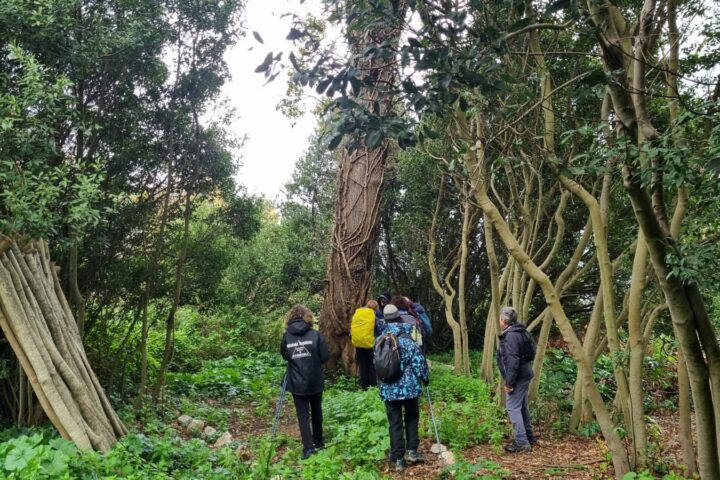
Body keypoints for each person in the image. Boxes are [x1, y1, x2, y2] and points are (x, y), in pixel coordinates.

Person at [377, 303, 429, 472]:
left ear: (384, 320)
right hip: (410, 389)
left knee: (394, 422)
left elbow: (376, 365)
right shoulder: (407, 339)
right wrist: (425, 378)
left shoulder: (379, 340)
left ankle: (398, 458)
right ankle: (412, 451)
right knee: (412, 418)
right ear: (399, 318)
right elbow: (418, 363)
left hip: (389, 389)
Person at [280, 304, 330, 459]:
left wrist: (297, 358)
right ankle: (319, 441)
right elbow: (325, 356)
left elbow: (285, 355)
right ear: (307, 316)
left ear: (290, 317)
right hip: (315, 379)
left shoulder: (287, 336)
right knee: (316, 411)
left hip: (297, 381)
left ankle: (308, 449)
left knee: (303, 415)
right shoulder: (315, 335)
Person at [496, 306, 536, 452]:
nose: (499, 320)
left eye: (500, 318)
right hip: (524, 374)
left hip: (518, 377)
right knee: (522, 407)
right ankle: (529, 437)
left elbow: (512, 361)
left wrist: (509, 383)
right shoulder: (520, 331)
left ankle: (522, 442)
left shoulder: (511, 336)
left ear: (504, 320)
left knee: (513, 408)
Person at [351, 299, 379, 390]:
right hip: (370, 345)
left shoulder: (357, 313)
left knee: (363, 367)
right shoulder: (372, 315)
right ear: (375, 308)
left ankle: (364, 387)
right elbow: (377, 329)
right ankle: (373, 387)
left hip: (358, 345)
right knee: (371, 367)